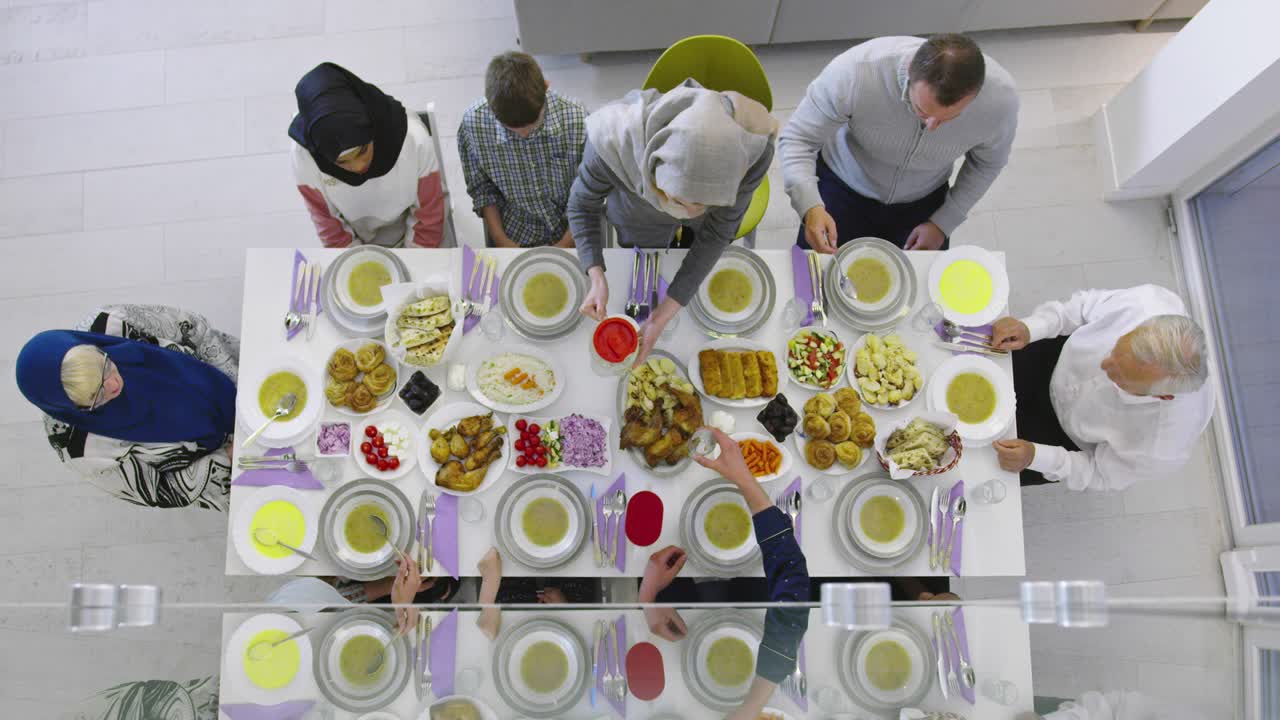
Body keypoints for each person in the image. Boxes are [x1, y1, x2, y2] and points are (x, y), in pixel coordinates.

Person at [570, 79, 777, 364]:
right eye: (677, 200)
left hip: (696, 228)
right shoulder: (610, 140)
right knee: (637, 244)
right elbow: (581, 205)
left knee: (700, 235)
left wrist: (660, 316)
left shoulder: (753, 153)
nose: (693, 212)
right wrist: (595, 274)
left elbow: (717, 232)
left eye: (706, 203)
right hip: (636, 217)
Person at [779, 34, 1018, 252]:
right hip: (842, 183)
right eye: (923, 112)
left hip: (925, 199)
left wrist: (944, 222)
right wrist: (809, 205)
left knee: (921, 289)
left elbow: (987, 164)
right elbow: (798, 139)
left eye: (949, 118)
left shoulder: (1000, 101)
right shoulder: (856, 72)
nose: (933, 127)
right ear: (910, 71)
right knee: (813, 284)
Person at [989, 285, 1213, 491]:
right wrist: (1032, 327)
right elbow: (1083, 309)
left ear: (1163, 396)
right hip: (1053, 357)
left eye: (1120, 377)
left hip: (1056, 437)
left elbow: (1099, 472)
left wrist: (1036, 458)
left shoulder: (1161, 446)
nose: (1104, 365)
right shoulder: (1146, 305)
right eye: (1114, 350)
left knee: (979, 465)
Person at [15, 305, 239, 511]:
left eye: (105, 365)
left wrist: (243, 390)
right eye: (95, 395)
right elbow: (161, 490)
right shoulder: (80, 451)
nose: (113, 385)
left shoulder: (110, 323)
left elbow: (192, 329)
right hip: (230, 460)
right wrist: (226, 458)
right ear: (71, 407)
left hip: (235, 376)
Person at [638, 427, 810, 641]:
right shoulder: (777, 656)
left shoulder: (777, 659)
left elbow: (792, 581)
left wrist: (647, 597)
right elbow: (791, 584)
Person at [289, 62, 446, 248]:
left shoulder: (413, 139)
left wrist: (408, 265)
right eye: (342, 162)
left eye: (362, 150)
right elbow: (330, 227)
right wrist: (360, 260)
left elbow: (429, 219)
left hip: (418, 236)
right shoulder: (305, 157)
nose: (358, 167)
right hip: (355, 241)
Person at [458, 51, 587, 248]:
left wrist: (565, 245)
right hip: (514, 233)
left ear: (546, 87)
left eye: (533, 124)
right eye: (512, 130)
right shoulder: (473, 125)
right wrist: (501, 240)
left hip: (574, 229)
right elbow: (482, 189)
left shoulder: (578, 120)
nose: (525, 134)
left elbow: (589, 191)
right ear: (491, 107)